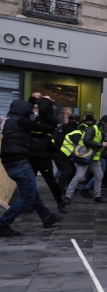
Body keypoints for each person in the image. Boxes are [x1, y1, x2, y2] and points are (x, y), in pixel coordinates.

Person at [0, 100, 61, 237]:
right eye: (31, 109)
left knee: (32, 192)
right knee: (28, 196)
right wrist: (47, 113)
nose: (32, 112)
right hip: (18, 162)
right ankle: (3, 223)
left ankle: (47, 217)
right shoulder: (21, 122)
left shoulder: (12, 122)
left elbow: (35, 133)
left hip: (12, 162)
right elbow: (48, 129)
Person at [27, 98, 68, 213]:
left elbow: (49, 137)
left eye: (38, 107)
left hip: (43, 155)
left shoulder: (51, 121)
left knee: (50, 181)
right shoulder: (36, 118)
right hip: (32, 153)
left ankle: (60, 202)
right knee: (31, 181)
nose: (36, 110)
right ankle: (31, 203)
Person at [63, 115, 107, 205]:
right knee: (79, 176)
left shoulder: (102, 131)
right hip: (85, 156)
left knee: (99, 175)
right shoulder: (93, 129)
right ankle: (67, 196)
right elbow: (87, 141)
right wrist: (101, 145)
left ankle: (97, 196)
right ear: (105, 124)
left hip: (94, 157)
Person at [80, 119, 107, 199]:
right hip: (102, 156)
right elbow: (104, 143)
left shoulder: (106, 132)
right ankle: (86, 189)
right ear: (106, 125)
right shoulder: (103, 132)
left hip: (105, 156)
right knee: (99, 175)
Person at [53, 114, 81, 193]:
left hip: (63, 153)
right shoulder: (70, 129)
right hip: (61, 152)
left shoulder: (63, 128)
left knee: (71, 170)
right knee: (67, 170)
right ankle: (61, 188)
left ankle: (70, 186)